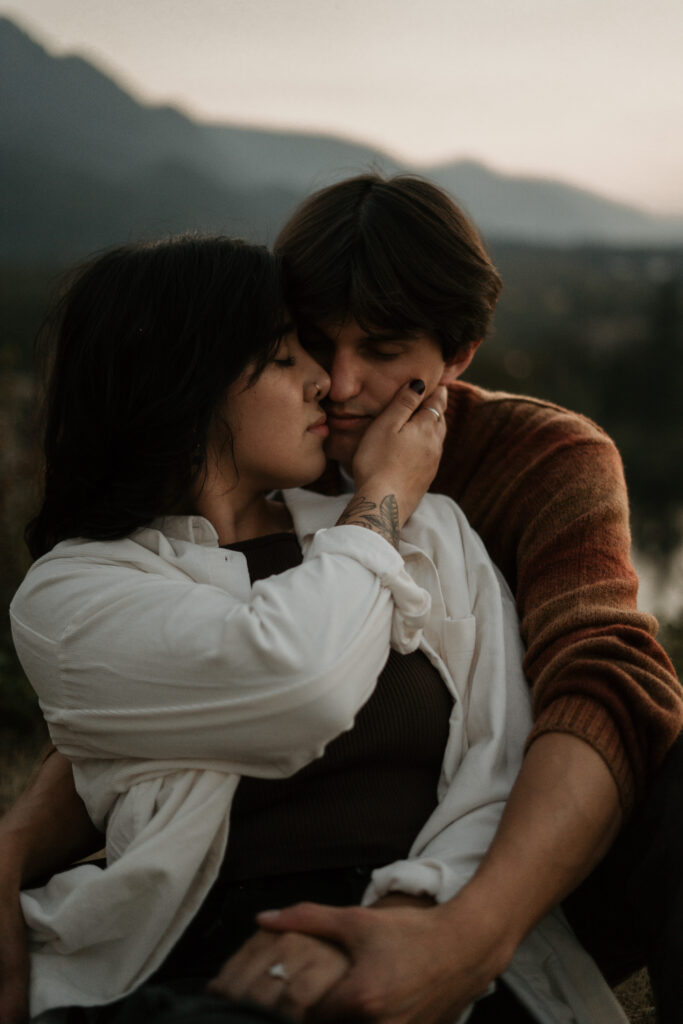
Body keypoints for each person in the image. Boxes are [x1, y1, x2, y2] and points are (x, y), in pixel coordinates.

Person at [1, 173, 681, 1020]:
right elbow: (185, 692)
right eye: (305, 345)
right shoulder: (113, 567)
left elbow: (571, 698)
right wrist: (13, 845)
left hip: (496, 871)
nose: (341, 384)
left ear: (458, 354)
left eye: (385, 351)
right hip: (204, 934)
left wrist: (441, 928)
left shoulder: (480, 495)